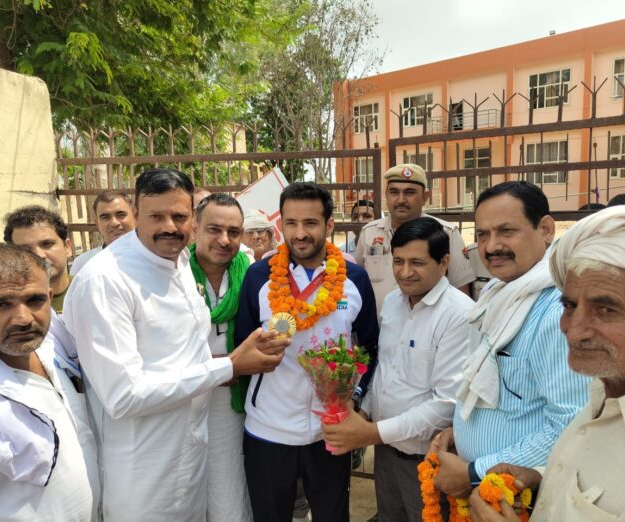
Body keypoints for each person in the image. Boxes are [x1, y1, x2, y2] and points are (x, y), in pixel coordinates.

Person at [63, 168, 289, 521]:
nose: (169, 226)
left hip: (190, 453)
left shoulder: (179, 258)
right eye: (156, 216)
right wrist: (229, 366)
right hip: (143, 469)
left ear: (192, 221)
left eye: (179, 216)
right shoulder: (105, 280)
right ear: (136, 215)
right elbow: (124, 396)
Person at [468, 205, 625, 522]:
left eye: (606, 309)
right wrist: (542, 477)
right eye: (570, 305)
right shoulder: (605, 393)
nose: (572, 328)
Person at [431, 181, 589, 499]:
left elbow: (572, 422)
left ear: (545, 229)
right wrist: (459, 432)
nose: (491, 247)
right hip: (481, 488)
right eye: (483, 234)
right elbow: (492, 393)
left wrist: (475, 472)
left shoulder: (558, 309)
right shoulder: (496, 291)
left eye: (506, 231)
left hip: (520, 495)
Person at [236, 182, 379, 522]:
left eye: (311, 223)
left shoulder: (355, 279)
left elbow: (371, 347)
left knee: (332, 516)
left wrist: (354, 397)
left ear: (329, 225)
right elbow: (243, 346)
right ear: (280, 224)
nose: (300, 234)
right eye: (291, 223)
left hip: (329, 431)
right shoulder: (259, 277)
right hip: (268, 428)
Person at [322, 217, 474, 522]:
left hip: (427, 460)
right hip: (386, 455)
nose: (405, 272)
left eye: (417, 262)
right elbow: (384, 367)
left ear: (444, 262)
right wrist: (363, 409)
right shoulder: (392, 302)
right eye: (399, 261)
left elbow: (446, 403)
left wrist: (371, 432)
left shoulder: (459, 314)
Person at [0, 244, 99, 521]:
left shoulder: (55, 343)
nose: (23, 319)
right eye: (1, 304)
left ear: (49, 297)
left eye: (34, 301)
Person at [190, 193, 253, 521]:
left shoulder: (253, 275)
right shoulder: (174, 275)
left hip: (231, 402)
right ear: (194, 228)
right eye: (214, 229)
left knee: (229, 487)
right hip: (182, 401)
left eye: (234, 231)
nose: (224, 240)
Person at [354, 163, 475, 312]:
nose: (400, 200)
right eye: (394, 192)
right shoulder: (369, 233)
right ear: (386, 195)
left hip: (431, 330)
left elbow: (461, 291)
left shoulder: (446, 233)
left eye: (409, 192)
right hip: (379, 330)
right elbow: (356, 283)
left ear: (425, 197)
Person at [4, 206, 73, 313]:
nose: (39, 255)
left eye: (47, 244)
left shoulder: (91, 289)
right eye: (25, 249)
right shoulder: (3, 305)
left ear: (67, 247)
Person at [70, 191, 136, 275]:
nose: (114, 223)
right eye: (105, 217)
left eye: (121, 214)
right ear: (97, 223)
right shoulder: (84, 263)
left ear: (135, 217)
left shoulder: (152, 257)